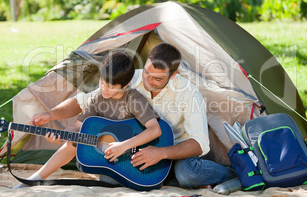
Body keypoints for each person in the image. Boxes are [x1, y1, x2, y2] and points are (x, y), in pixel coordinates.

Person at [79, 43, 237, 189]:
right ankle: (169, 180)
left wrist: (162, 153)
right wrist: (54, 114)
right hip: (134, 150)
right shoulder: (131, 78)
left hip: (176, 153)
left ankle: (232, 176)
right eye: (147, 73)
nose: (148, 81)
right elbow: (88, 99)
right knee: (110, 180)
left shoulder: (189, 93)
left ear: (173, 75)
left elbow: (200, 143)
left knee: (188, 175)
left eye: (157, 78)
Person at [13, 51, 161, 188]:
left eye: (111, 86)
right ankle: (34, 179)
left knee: (110, 181)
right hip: (107, 155)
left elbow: (155, 130)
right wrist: (62, 136)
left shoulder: (134, 99)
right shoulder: (97, 98)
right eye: (102, 82)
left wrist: (123, 146)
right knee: (75, 140)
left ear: (126, 85)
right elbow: (77, 126)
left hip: (130, 159)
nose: (104, 89)